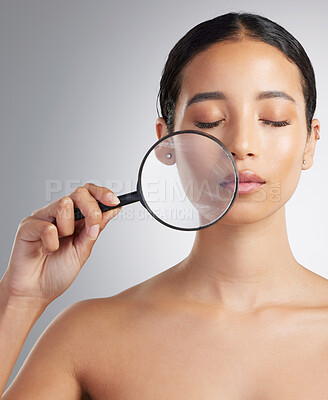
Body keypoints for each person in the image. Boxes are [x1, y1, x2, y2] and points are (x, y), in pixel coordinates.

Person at [0, 11, 325, 399]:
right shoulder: (88, 336)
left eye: (273, 120)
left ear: (310, 142)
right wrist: (19, 300)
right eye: (209, 121)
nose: (241, 145)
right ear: (166, 142)